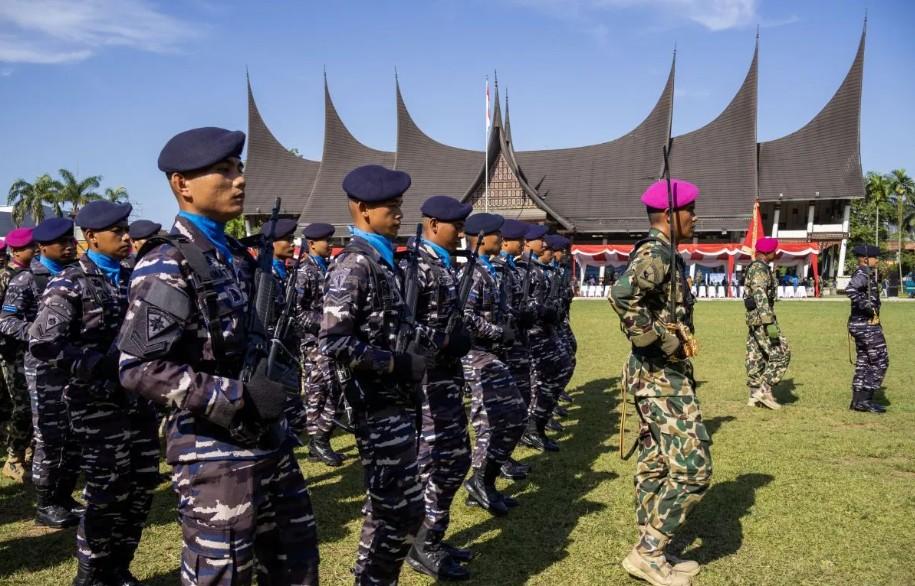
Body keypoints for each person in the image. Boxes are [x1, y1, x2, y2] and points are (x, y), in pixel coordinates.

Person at [117, 127, 319, 585]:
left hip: (268, 440)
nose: (239, 179)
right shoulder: (168, 263)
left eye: (240, 168)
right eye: (224, 171)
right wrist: (237, 394)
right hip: (215, 454)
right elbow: (139, 367)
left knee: (295, 564)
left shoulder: (234, 254)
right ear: (181, 184)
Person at [30, 201, 159, 585]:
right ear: (92, 237)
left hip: (139, 402)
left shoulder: (133, 277)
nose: (126, 237)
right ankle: (91, 574)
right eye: (117, 232)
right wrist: (95, 364)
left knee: (141, 487)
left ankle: (118, 567)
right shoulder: (70, 282)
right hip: (98, 406)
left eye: (126, 229)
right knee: (107, 493)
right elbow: (42, 341)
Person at [319, 164, 425, 585]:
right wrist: (395, 363)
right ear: (363, 209)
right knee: (392, 511)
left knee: (401, 510)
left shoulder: (382, 262)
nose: (399, 213)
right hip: (376, 405)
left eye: (400, 205)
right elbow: (335, 342)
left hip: (397, 401)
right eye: (391, 206)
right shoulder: (354, 266)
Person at [609, 178, 710, 586]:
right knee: (693, 469)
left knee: (654, 463)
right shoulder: (657, 252)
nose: (695, 217)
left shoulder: (667, 253)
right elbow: (621, 295)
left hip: (657, 375)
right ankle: (648, 552)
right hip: (659, 377)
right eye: (689, 210)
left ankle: (652, 549)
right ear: (670, 216)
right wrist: (658, 339)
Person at [403, 195, 474, 581]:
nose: (461, 234)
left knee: (457, 459)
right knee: (432, 463)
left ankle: (434, 533)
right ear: (433, 225)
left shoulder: (443, 266)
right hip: (427, 382)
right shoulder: (415, 267)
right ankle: (422, 542)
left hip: (448, 381)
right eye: (456, 227)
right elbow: (400, 323)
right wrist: (443, 342)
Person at [4, 218, 84, 527]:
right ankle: (45, 501)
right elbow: (6, 321)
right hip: (43, 370)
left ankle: (64, 496)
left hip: (74, 366)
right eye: (61, 242)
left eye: (70, 240)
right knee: (49, 437)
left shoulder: (77, 276)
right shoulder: (28, 280)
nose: (69, 246)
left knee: (74, 434)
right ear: (42, 247)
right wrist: (39, 333)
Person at [459, 212, 526, 518]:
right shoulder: (473, 272)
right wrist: (499, 332)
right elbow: (466, 317)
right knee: (490, 420)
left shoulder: (489, 270)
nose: (502, 239)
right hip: (477, 357)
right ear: (482, 238)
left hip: (494, 353)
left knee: (511, 416)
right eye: (497, 235)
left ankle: (483, 481)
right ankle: (480, 481)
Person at [295, 222, 346, 467]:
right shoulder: (305, 271)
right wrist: (327, 323)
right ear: (312, 243)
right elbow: (298, 312)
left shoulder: (328, 267)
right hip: (314, 343)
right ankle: (320, 439)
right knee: (327, 391)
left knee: (321, 393)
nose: (331, 245)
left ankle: (317, 444)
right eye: (327, 241)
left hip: (328, 340)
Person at [491, 219, 534, 480]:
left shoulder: (510, 269)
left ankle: (502, 459)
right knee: (502, 411)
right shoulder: (494, 270)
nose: (524, 245)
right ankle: (491, 468)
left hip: (514, 342)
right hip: (498, 346)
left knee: (519, 400)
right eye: (521, 240)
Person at [519, 225, 561, 452]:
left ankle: (538, 424)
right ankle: (532, 428)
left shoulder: (538, 268)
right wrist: (541, 311)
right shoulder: (522, 268)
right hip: (533, 335)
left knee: (554, 374)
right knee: (537, 383)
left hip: (545, 331)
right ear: (527, 242)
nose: (545, 244)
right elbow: (523, 303)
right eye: (540, 240)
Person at [0, 228, 36, 482]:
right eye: (31, 247)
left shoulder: (33, 274)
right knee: (21, 405)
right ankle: (13, 458)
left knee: (32, 404)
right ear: (17, 251)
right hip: (11, 351)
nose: (36, 251)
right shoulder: (5, 276)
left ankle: (28, 449)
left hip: (30, 350)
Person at [743, 237, 791, 410]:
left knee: (755, 355)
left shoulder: (758, 267)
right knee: (781, 351)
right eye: (774, 251)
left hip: (755, 319)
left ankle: (754, 395)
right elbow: (760, 294)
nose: (776, 253)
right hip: (763, 320)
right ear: (768, 252)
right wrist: (768, 322)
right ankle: (764, 390)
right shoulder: (759, 269)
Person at [846, 244, 889, 414]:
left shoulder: (866, 273)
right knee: (880, 360)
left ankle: (857, 401)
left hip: (860, 324)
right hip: (866, 325)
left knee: (864, 361)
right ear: (865, 259)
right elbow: (850, 289)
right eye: (874, 257)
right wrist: (868, 308)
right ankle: (865, 400)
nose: (877, 260)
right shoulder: (863, 273)